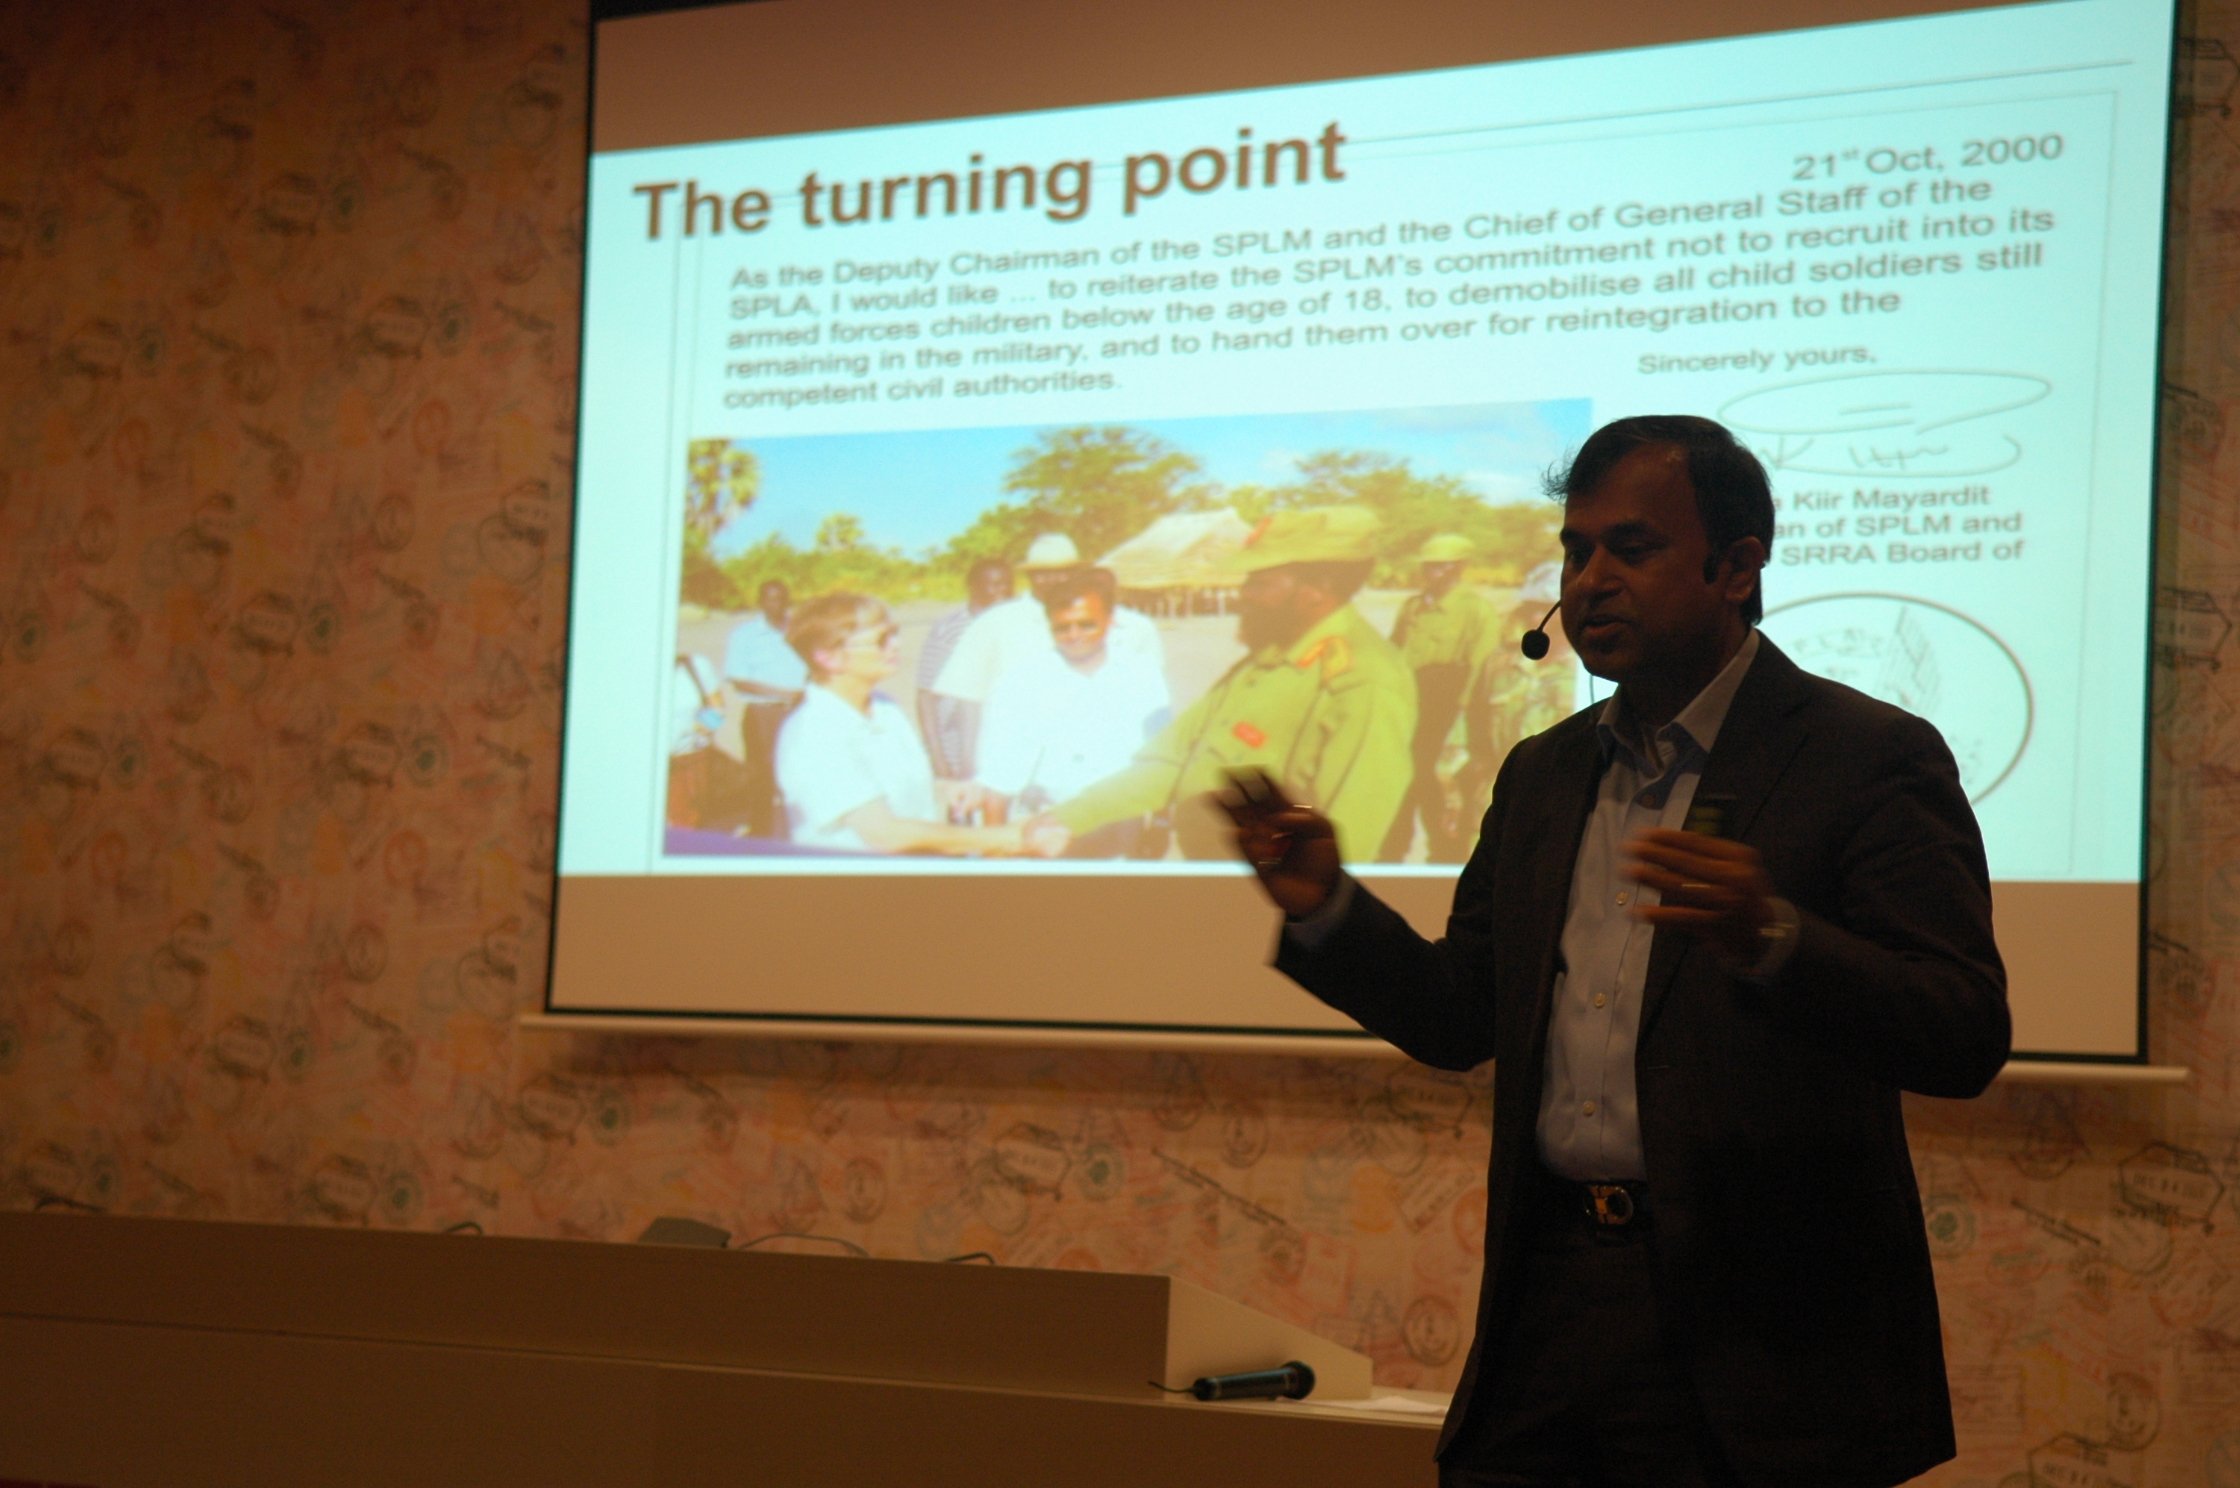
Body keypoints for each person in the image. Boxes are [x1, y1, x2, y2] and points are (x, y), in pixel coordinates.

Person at [1217, 416, 2009, 1488]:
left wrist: (1771, 936)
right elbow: (1460, 1017)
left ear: (1735, 567)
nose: (1589, 580)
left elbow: (1959, 1032)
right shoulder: (1543, 775)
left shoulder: (1863, 757)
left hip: (1759, 1349)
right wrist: (1325, 909)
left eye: (1628, 549)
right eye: (1574, 549)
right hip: (1549, 1308)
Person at [1048, 506, 1416, 861]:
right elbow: (1172, 761)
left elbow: (1343, 849)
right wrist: (1063, 820)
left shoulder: (1363, 683)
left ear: (1318, 587)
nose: (1244, 593)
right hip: (1216, 883)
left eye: (1260, 582)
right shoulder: (1266, 658)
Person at [774, 593, 1053, 856]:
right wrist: (1008, 837)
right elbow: (884, 834)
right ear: (828, 657)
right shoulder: (814, 735)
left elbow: (890, 786)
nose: (896, 645)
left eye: (895, 633)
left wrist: (946, 789)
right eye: (881, 639)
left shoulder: (884, 706)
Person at [974, 569, 1170, 855]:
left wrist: (1162, 823)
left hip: (1122, 828)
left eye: (1087, 624)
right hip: (1045, 829)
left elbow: (1163, 759)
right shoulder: (1022, 682)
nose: (1074, 635)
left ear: (1111, 619)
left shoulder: (1142, 675)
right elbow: (998, 778)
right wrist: (994, 855)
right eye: (1062, 628)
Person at [930, 535, 1166, 760]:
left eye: (1062, 571)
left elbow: (1147, 702)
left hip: (1101, 761)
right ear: (1029, 576)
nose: (1053, 579)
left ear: (1077, 573)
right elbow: (968, 702)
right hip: (1015, 765)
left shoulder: (1126, 624)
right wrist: (970, 771)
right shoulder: (994, 623)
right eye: (1042, 573)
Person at [1381, 533, 1502, 864]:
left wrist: (1462, 725)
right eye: (1428, 566)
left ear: (1458, 567)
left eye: (1439, 565)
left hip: (1448, 716)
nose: (1431, 572)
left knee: (1440, 793)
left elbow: (1482, 669)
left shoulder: (1477, 611)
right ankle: (1390, 861)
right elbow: (1393, 657)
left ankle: (1444, 863)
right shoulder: (1413, 607)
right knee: (1399, 792)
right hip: (1408, 714)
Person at [722, 578, 809, 836]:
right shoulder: (745, 635)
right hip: (763, 715)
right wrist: (784, 693)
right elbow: (738, 680)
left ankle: (801, 832)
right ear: (760, 602)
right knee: (761, 777)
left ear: (789, 600)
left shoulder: (800, 631)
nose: (777, 604)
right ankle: (761, 835)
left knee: (802, 772)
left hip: (801, 713)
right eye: (770, 599)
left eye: (781, 598)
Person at [916, 556, 1014, 781]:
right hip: (957, 749)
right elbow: (926, 696)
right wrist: (938, 759)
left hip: (1004, 746)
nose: (1003, 591)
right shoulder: (949, 630)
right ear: (973, 586)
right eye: (995, 584)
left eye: (1008, 584)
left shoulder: (1016, 623)